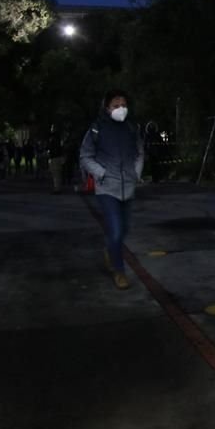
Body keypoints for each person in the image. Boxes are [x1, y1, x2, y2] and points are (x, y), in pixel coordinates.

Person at [80, 90, 144, 290]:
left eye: (123, 105)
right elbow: (85, 156)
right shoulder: (97, 129)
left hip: (128, 187)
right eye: (116, 105)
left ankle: (110, 250)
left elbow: (139, 152)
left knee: (124, 230)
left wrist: (136, 172)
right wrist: (101, 173)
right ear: (107, 108)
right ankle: (119, 271)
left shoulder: (131, 128)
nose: (121, 109)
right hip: (107, 188)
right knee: (116, 231)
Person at [46, 128, 65, 194]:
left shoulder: (53, 140)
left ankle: (57, 189)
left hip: (55, 158)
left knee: (56, 174)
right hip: (58, 157)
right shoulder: (59, 140)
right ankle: (58, 187)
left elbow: (51, 149)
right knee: (57, 174)